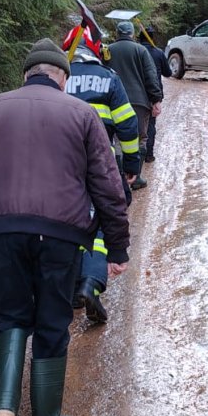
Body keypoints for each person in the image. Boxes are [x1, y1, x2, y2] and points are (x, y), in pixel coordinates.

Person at [0, 38, 130, 416]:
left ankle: (4, 407)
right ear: (63, 78)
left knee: (10, 314)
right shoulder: (82, 114)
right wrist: (117, 248)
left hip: (2, 231)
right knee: (51, 322)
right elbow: (109, 187)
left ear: (26, 75)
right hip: (61, 235)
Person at [62, 19, 141, 324]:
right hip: (99, 161)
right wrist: (132, 165)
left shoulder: (59, 77)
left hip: (60, 164)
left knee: (67, 219)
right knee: (101, 219)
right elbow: (128, 124)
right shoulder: (108, 79)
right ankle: (91, 282)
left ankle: (71, 286)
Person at [106, 19, 161, 189]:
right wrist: (156, 99)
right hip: (139, 102)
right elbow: (150, 76)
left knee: (116, 139)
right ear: (132, 34)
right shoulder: (141, 50)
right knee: (140, 138)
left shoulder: (107, 50)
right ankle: (135, 178)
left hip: (114, 100)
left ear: (117, 33)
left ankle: (118, 179)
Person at [137, 25, 171, 163]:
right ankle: (149, 155)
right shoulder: (158, 53)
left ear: (139, 38)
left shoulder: (136, 51)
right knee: (150, 125)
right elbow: (168, 73)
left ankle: (136, 155)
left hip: (138, 93)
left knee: (136, 124)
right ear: (152, 38)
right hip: (154, 94)